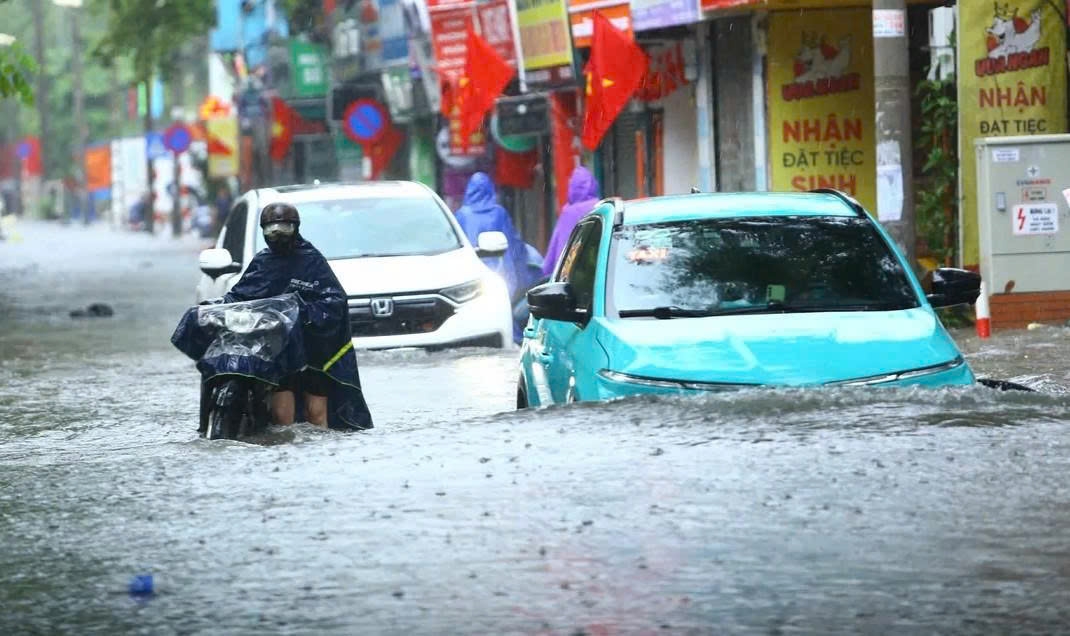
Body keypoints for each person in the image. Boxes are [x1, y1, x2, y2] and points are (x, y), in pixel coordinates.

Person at [210, 202, 372, 429]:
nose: (278, 236)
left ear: (295, 228)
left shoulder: (312, 260)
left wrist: (301, 311)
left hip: (314, 353)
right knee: (281, 418)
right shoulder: (263, 263)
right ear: (263, 231)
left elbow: (335, 301)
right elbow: (240, 296)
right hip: (279, 351)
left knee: (316, 415)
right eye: (271, 231)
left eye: (284, 229)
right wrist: (216, 306)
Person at [453, 172, 529, 300]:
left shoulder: (461, 215)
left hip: (471, 276)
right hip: (501, 274)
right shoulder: (499, 213)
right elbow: (514, 245)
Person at [542, 166, 601, 277]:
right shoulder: (599, 207)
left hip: (566, 277)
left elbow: (552, 254)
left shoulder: (567, 213)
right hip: (595, 274)